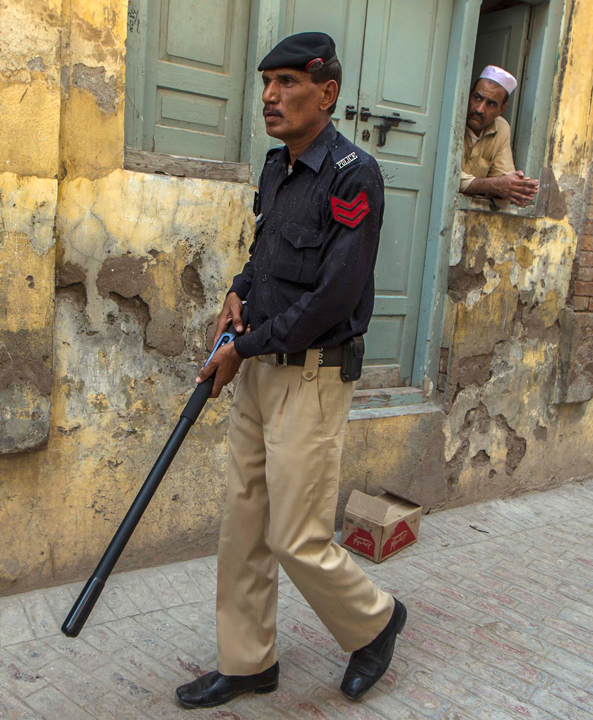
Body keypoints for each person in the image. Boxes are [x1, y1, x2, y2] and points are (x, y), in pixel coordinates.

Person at [177, 31, 406, 709]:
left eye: (288, 84)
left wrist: (239, 350)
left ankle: (377, 620)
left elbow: (333, 295)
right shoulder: (277, 169)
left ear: (327, 93)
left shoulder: (352, 175)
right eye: (266, 83)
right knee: (244, 524)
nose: (271, 97)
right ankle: (248, 661)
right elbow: (266, 253)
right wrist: (237, 293)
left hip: (310, 375)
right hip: (257, 367)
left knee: (296, 536)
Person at [459, 65, 539, 207]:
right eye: (477, 98)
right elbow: (447, 176)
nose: (479, 109)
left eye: (491, 104)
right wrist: (491, 185)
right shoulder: (454, 117)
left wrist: (515, 188)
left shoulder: (501, 128)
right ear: (469, 94)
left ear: (501, 109)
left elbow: (502, 180)